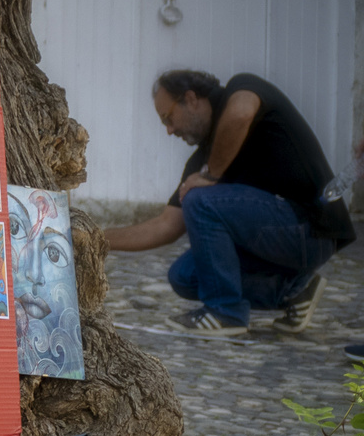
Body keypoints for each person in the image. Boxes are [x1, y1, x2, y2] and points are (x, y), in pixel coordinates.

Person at [106, 69, 354, 338]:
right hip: (281, 242)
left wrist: (211, 175)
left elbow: (240, 114)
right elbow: (166, 226)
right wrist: (95, 239)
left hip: (312, 229)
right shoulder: (202, 159)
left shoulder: (241, 88)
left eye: (169, 118)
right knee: (184, 276)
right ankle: (293, 292)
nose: (169, 130)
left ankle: (226, 312)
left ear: (191, 98)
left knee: (199, 199)